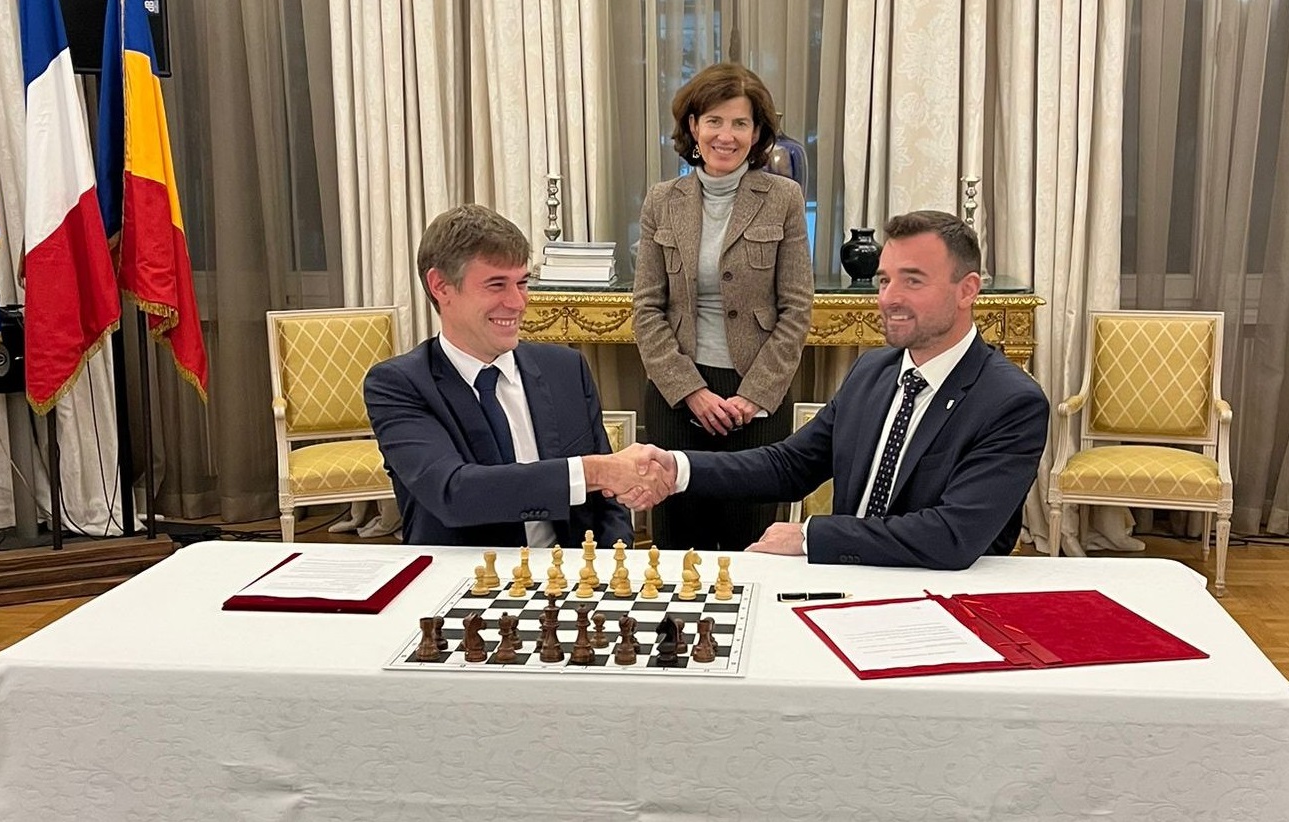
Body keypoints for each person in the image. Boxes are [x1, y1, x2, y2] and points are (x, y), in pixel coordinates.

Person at [629, 210, 1049, 570]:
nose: (890, 298)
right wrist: (677, 468)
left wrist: (810, 536)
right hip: (844, 583)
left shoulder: (1011, 402)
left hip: (941, 599)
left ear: (967, 290)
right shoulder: (872, 370)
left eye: (913, 281)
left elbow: (952, 535)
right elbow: (790, 466)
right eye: (884, 281)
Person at [365, 204, 663, 548]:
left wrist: (609, 561)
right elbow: (454, 493)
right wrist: (596, 471)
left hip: (570, 571)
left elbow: (606, 503)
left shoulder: (566, 369)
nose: (518, 302)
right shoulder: (400, 385)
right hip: (466, 574)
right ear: (441, 287)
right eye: (496, 285)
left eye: (522, 283)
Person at [632, 62, 814, 552]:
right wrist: (691, 391)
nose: (726, 136)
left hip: (754, 400)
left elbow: (797, 307)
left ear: (757, 133)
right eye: (714, 121)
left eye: (740, 123)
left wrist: (753, 396)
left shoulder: (783, 198)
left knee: (751, 546)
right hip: (678, 397)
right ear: (693, 126)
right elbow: (647, 307)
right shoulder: (661, 201)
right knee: (678, 549)